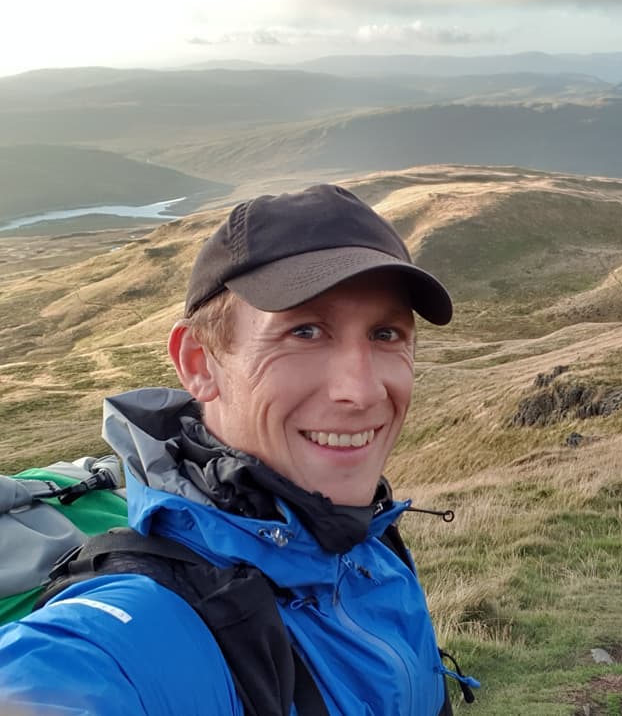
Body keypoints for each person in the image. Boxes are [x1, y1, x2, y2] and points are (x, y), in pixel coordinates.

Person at [0, 184, 459, 715]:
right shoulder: (138, 629)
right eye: (305, 332)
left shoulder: (369, 542)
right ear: (199, 363)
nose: (361, 390)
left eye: (385, 334)